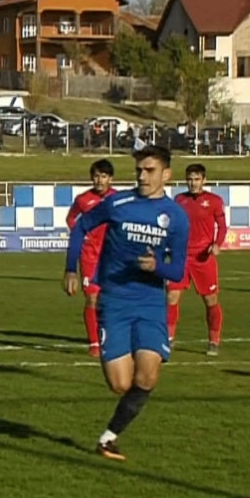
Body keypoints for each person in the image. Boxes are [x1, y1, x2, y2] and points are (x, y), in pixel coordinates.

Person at [63, 146, 189, 461]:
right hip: (114, 301)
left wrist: (156, 267)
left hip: (149, 304)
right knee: (120, 384)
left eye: (150, 170)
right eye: (139, 171)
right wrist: (69, 269)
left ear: (166, 175)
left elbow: (177, 269)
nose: (143, 176)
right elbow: (80, 226)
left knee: (147, 377)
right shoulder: (118, 203)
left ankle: (108, 438)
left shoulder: (175, 217)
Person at [166, 164, 227, 356]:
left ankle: (214, 340)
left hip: (203, 258)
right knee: (171, 296)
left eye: (196, 179)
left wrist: (216, 244)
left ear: (204, 180)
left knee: (210, 300)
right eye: (189, 179)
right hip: (181, 257)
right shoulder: (179, 200)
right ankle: (168, 338)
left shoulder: (214, 201)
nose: (192, 183)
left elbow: (222, 226)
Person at [66, 159, 116, 357]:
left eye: (103, 176)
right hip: (90, 256)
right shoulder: (82, 200)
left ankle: (112, 336)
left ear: (110, 178)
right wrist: (82, 235)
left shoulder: (117, 199)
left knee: (114, 299)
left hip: (113, 255)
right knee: (92, 298)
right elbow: (71, 219)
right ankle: (94, 343)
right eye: (96, 176)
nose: (99, 180)